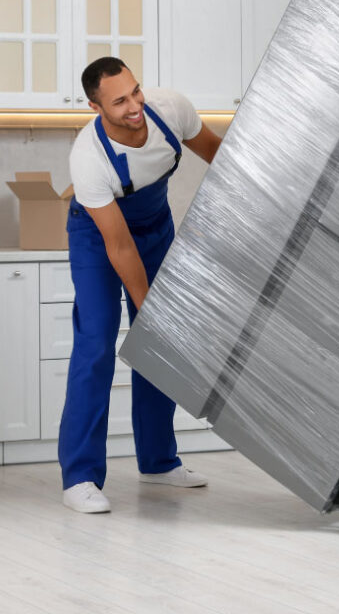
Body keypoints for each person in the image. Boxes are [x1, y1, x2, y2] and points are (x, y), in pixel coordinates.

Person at [59, 56, 222, 514]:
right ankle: (80, 477)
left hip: (156, 226)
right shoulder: (89, 160)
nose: (134, 106)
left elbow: (219, 157)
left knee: (158, 344)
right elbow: (119, 247)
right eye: (119, 101)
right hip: (100, 240)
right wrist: (145, 302)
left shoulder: (171, 111)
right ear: (95, 106)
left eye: (135, 91)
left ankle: (158, 461)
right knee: (95, 344)